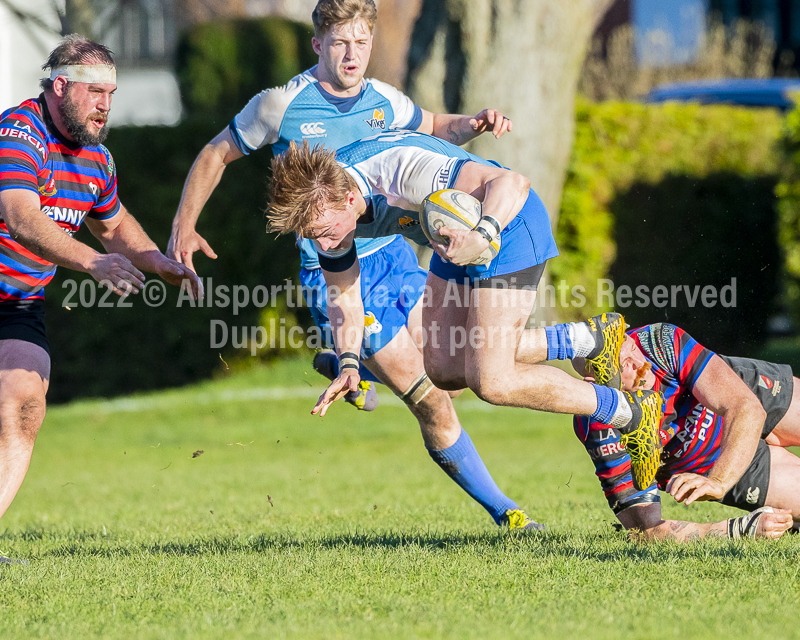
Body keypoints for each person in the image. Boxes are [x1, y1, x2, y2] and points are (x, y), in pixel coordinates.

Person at [167, 0, 541, 532]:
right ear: (318, 44)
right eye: (340, 43)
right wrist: (184, 224)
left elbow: (432, 125)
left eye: (361, 43)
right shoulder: (280, 104)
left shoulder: (382, 99)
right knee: (431, 401)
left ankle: (352, 363)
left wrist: (474, 122)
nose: (352, 55)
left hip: (394, 255)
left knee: (452, 373)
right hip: (333, 268)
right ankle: (508, 514)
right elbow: (215, 154)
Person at [265, 132, 675, 497]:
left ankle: (629, 412)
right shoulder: (326, 215)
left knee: (492, 381)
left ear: (350, 198)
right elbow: (344, 300)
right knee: (442, 369)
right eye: (310, 235)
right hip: (454, 242)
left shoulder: (399, 170)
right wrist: (350, 364)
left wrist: (482, 234)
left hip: (508, 229)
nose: (320, 242)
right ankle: (587, 340)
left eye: (322, 232)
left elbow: (513, 183)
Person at [0, 36, 201, 553]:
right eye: (95, 91)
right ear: (60, 86)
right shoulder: (19, 133)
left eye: (111, 92)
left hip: (18, 304)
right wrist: (91, 262)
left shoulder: (97, 159)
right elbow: (21, 216)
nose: (105, 104)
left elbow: (113, 227)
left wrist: (160, 263)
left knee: (25, 402)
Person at [573, 322, 800, 541]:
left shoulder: (657, 342)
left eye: (631, 346)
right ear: (595, 382)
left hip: (743, 394)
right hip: (711, 460)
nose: (641, 363)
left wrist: (719, 480)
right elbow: (647, 530)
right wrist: (737, 529)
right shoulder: (598, 424)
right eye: (623, 365)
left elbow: (745, 408)